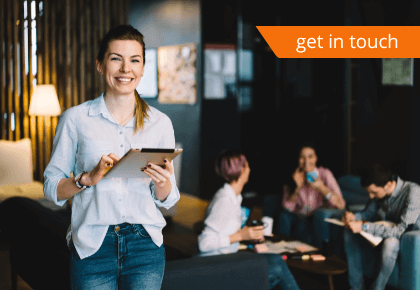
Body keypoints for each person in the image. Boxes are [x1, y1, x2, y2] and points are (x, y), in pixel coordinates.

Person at [43, 25, 180, 290]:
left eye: (134, 60)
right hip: (93, 246)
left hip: (145, 245)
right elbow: (51, 188)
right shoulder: (75, 119)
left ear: (142, 68)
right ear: (100, 65)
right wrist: (86, 179)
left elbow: (168, 197)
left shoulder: (160, 123)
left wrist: (163, 183)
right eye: (116, 58)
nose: (125, 69)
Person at [198, 150, 300, 290]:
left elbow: (224, 232)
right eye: (247, 165)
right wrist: (240, 235)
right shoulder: (224, 201)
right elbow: (204, 243)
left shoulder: (234, 197)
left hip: (226, 260)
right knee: (276, 267)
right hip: (216, 266)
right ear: (242, 170)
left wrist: (247, 236)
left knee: (275, 261)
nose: (250, 169)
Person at [342, 163, 420, 290]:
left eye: (373, 192)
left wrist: (365, 227)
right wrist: (354, 218)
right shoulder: (381, 192)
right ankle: (356, 286)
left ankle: (377, 287)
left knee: (390, 243)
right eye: (368, 193)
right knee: (348, 231)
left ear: (389, 184)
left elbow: (401, 231)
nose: (370, 197)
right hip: (389, 229)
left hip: (408, 238)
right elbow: (368, 213)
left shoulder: (414, 192)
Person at [277, 142, 345, 244]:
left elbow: (341, 204)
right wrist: (297, 188)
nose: (306, 161)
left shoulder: (324, 174)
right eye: (302, 157)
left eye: (310, 156)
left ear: (316, 158)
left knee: (311, 222)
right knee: (285, 217)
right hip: (300, 218)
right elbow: (287, 208)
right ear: (298, 159)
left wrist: (321, 187)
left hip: (317, 218)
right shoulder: (294, 176)